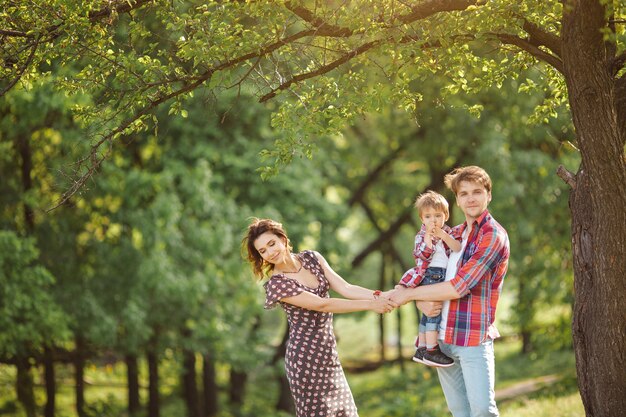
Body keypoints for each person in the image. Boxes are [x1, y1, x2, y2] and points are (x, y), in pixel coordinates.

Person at [243, 218, 397, 417]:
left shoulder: (311, 258)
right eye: (263, 251)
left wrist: (381, 296)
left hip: (328, 354)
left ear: (283, 238)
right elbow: (323, 305)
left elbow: (345, 288)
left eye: (271, 244)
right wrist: (371, 305)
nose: (270, 252)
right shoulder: (277, 284)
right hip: (305, 360)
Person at [387, 166, 510, 417]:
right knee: (459, 411)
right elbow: (422, 270)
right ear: (457, 200)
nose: (471, 198)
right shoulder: (452, 234)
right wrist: (418, 299)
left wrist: (411, 296)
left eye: (477, 192)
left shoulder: (492, 235)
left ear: (489, 195)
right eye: (464, 194)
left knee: (482, 411)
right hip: (442, 339)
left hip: (472, 338)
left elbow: (459, 287)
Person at [396, 191, 461, 367]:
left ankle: (422, 347)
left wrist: (444, 236)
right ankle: (432, 349)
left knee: (428, 313)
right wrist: (428, 238)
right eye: (428, 216)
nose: (433, 220)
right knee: (434, 313)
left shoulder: (447, 232)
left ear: (445, 216)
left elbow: (457, 247)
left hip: (441, 274)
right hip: (431, 274)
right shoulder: (421, 236)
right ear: (422, 219)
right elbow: (423, 255)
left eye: (438, 216)